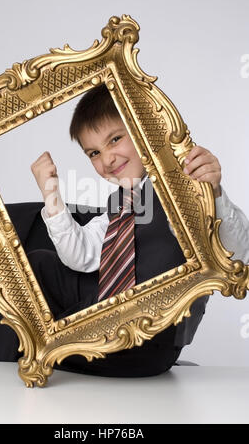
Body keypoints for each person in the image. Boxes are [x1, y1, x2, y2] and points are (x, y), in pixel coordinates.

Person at [29, 84, 249, 377]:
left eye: (115, 139)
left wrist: (214, 194)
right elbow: (81, 255)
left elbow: (238, 252)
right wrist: (51, 194)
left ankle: (42, 346)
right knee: (37, 266)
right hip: (108, 313)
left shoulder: (180, 185)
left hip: (152, 339)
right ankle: (37, 342)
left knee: (41, 343)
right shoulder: (119, 201)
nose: (107, 159)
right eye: (94, 152)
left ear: (144, 128)